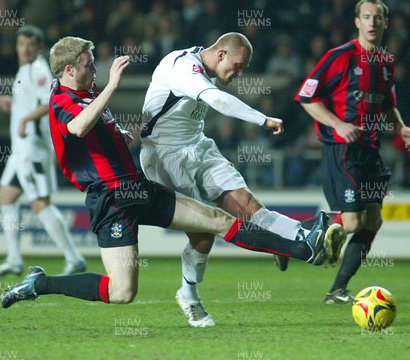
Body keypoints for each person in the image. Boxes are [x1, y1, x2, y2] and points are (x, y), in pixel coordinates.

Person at [1, 36, 340, 315]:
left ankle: (302, 248)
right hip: (110, 200)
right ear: (70, 69)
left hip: (137, 188)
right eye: (90, 64)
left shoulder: (88, 93)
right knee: (122, 292)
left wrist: (122, 133)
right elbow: (76, 126)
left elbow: (100, 131)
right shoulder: (62, 98)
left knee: (219, 221)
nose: (96, 68)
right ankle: (42, 284)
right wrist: (113, 85)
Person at [139, 32, 346, 326]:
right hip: (164, 157)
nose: (239, 73)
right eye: (238, 66)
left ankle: (301, 238)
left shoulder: (206, 66)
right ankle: (189, 294)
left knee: (250, 206)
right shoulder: (182, 67)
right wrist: (263, 119)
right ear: (221, 54)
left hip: (198, 146)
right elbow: (218, 101)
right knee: (203, 233)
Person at [290, 0, 410, 304]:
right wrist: (338, 124)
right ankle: (290, 240)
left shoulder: (386, 61)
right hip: (342, 149)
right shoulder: (340, 56)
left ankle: (337, 290)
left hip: (371, 151)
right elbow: (307, 97)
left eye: (378, 18)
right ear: (357, 22)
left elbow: (387, 104)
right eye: (366, 17)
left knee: (373, 222)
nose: (372, 22)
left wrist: (401, 128)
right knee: (352, 223)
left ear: (386, 23)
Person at [0, 25, 86, 277]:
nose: (26, 49)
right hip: (20, 150)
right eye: (22, 44)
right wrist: (15, 107)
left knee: (39, 203)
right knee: (6, 198)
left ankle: (73, 258)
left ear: (39, 47)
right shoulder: (24, 70)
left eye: (30, 44)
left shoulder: (40, 68)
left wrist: (24, 120)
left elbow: (49, 102)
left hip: (33, 147)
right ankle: (13, 258)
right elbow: (32, 102)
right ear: (17, 46)